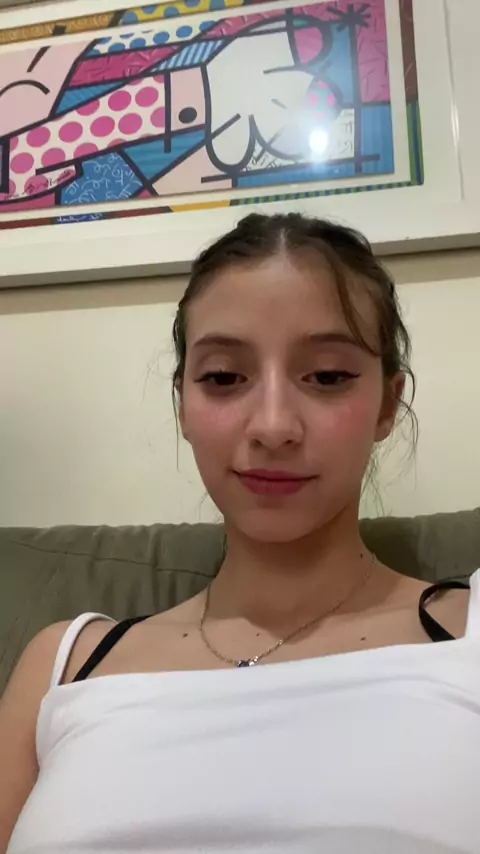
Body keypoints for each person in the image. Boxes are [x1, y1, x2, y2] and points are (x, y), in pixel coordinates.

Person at [0, 213, 477, 854]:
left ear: (387, 405)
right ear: (183, 406)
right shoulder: (65, 664)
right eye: (224, 377)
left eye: (327, 376)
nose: (273, 426)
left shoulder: (468, 634)